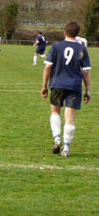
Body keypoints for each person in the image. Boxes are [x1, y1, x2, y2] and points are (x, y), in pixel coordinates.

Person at [41, 22, 91, 157]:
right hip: (74, 86)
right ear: (77, 34)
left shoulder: (56, 46)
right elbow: (85, 72)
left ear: (64, 32)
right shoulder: (81, 49)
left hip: (57, 84)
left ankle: (57, 138)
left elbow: (47, 67)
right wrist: (88, 90)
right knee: (70, 118)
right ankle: (66, 147)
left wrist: (44, 86)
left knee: (55, 112)